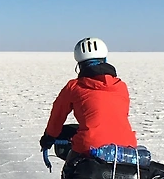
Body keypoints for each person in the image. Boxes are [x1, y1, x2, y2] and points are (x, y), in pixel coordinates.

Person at [39, 37, 137, 167]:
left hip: (89, 147)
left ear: (79, 65)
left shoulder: (74, 86)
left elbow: (58, 115)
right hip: (127, 147)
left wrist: (49, 138)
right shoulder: (121, 86)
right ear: (105, 60)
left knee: (71, 172)